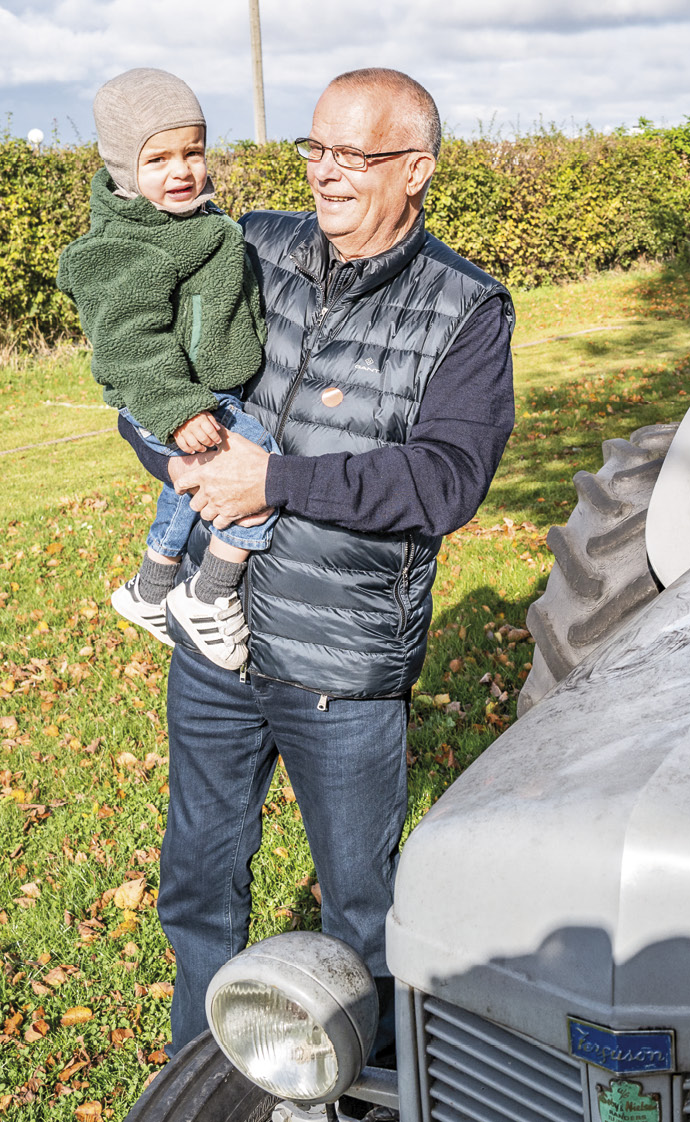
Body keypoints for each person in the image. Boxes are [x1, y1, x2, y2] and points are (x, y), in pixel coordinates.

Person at [116, 68, 517, 1065]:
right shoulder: (249, 246)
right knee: (198, 884)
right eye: (315, 149)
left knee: (362, 910)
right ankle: (203, 1077)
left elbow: (446, 480)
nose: (327, 174)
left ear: (417, 170)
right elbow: (143, 365)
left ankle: (365, 1084)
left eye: (357, 154)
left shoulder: (466, 307)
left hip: (341, 662)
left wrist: (277, 482)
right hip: (213, 640)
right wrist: (176, 454)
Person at [56, 68, 279, 672]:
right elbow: (128, 342)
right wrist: (178, 410)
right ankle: (211, 595)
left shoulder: (189, 222)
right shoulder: (125, 246)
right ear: (127, 172)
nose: (181, 170)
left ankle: (150, 590)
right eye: (157, 159)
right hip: (168, 397)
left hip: (193, 393)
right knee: (255, 465)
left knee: (184, 487)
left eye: (193, 152)